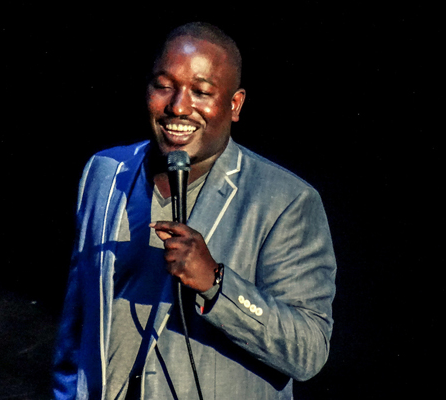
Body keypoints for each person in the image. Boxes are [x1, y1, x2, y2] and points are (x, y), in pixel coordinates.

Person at [52, 22, 337, 400]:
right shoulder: (105, 171)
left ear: (234, 105)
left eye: (201, 92)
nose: (178, 106)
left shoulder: (286, 201)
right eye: (164, 86)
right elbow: (76, 320)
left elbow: (309, 350)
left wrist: (216, 284)